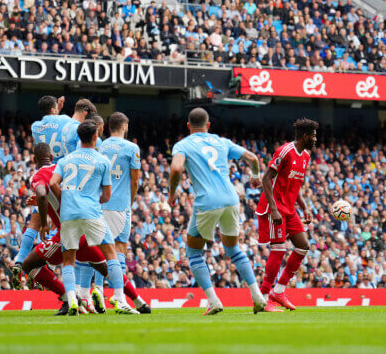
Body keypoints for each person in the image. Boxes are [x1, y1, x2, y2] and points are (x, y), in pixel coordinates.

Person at [168, 108, 268, 315]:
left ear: (188, 126)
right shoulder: (222, 141)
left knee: (194, 253)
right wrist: (256, 176)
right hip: (231, 199)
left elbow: (176, 169)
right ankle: (258, 297)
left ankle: (214, 301)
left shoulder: (183, 145)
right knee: (233, 249)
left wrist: (172, 193)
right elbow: (252, 157)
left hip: (207, 201)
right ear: (208, 125)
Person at [48, 121, 138, 315]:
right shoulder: (102, 160)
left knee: (69, 259)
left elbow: (53, 183)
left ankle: (72, 300)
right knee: (111, 253)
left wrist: (65, 199)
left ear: (79, 137)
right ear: (96, 136)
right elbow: (106, 196)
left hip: (68, 214)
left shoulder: (65, 160)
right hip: (91, 212)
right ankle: (120, 299)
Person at [11, 96, 77, 284]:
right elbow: (75, 125)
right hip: (59, 175)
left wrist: (57, 108)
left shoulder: (35, 127)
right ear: (55, 108)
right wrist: (61, 111)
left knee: (35, 222)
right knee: (66, 224)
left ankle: (19, 261)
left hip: (41, 175)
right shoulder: (66, 120)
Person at [257, 118, 319, 311]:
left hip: (290, 209)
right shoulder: (284, 152)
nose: (316, 139)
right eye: (314, 135)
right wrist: (274, 208)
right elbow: (266, 179)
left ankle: (279, 291)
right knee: (278, 250)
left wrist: (304, 206)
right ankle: (264, 298)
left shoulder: (306, 156)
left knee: (303, 246)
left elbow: (296, 184)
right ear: (306, 136)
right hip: (274, 207)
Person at [99, 112, 151, 313]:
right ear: (124, 126)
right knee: (115, 250)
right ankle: (116, 296)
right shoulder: (131, 148)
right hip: (119, 205)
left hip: (100, 203)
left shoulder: (100, 145)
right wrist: (129, 202)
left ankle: (100, 294)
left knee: (106, 250)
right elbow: (135, 181)